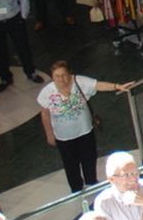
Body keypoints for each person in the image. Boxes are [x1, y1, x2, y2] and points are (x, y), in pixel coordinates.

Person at [38, 60, 132, 193]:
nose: (61, 79)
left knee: (89, 159)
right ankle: (76, 190)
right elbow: (45, 114)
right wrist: (49, 133)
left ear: (69, 74)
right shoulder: (47, 92)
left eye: (64, 75)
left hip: (85, 132)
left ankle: (92, 184)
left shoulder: (79, 82)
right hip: (63, 138)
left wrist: (117, 86)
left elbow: (98, 85)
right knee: (71, 165)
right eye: (57, 76)